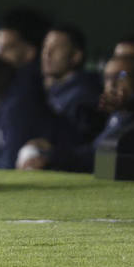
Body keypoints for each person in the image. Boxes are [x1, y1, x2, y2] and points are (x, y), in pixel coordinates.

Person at [18, 24, 104, 172]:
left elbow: (84, 147)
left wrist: (50, 152)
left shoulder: (85, 94)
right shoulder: (52, 89)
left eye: (56, 48)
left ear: (75, 56)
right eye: (45, 47)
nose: (47, 53)